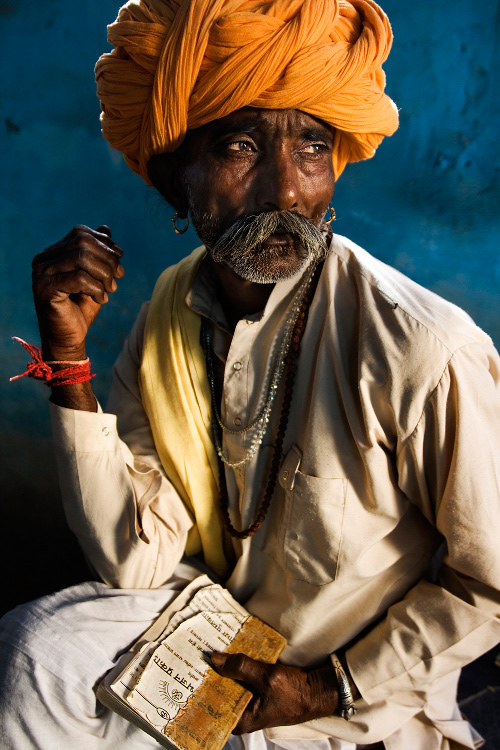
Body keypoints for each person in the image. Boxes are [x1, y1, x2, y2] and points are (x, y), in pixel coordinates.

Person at [1, 0, 499, 748]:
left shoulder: (425, 349)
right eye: (240, 146)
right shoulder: (167, 314)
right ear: (178, 182)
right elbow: (137, 560)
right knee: (33, 657)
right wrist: (68, 362)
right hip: (207, 641)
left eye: (311, 148)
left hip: (348, 701)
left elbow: (488, 584)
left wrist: (325, 686)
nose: (286, 192)